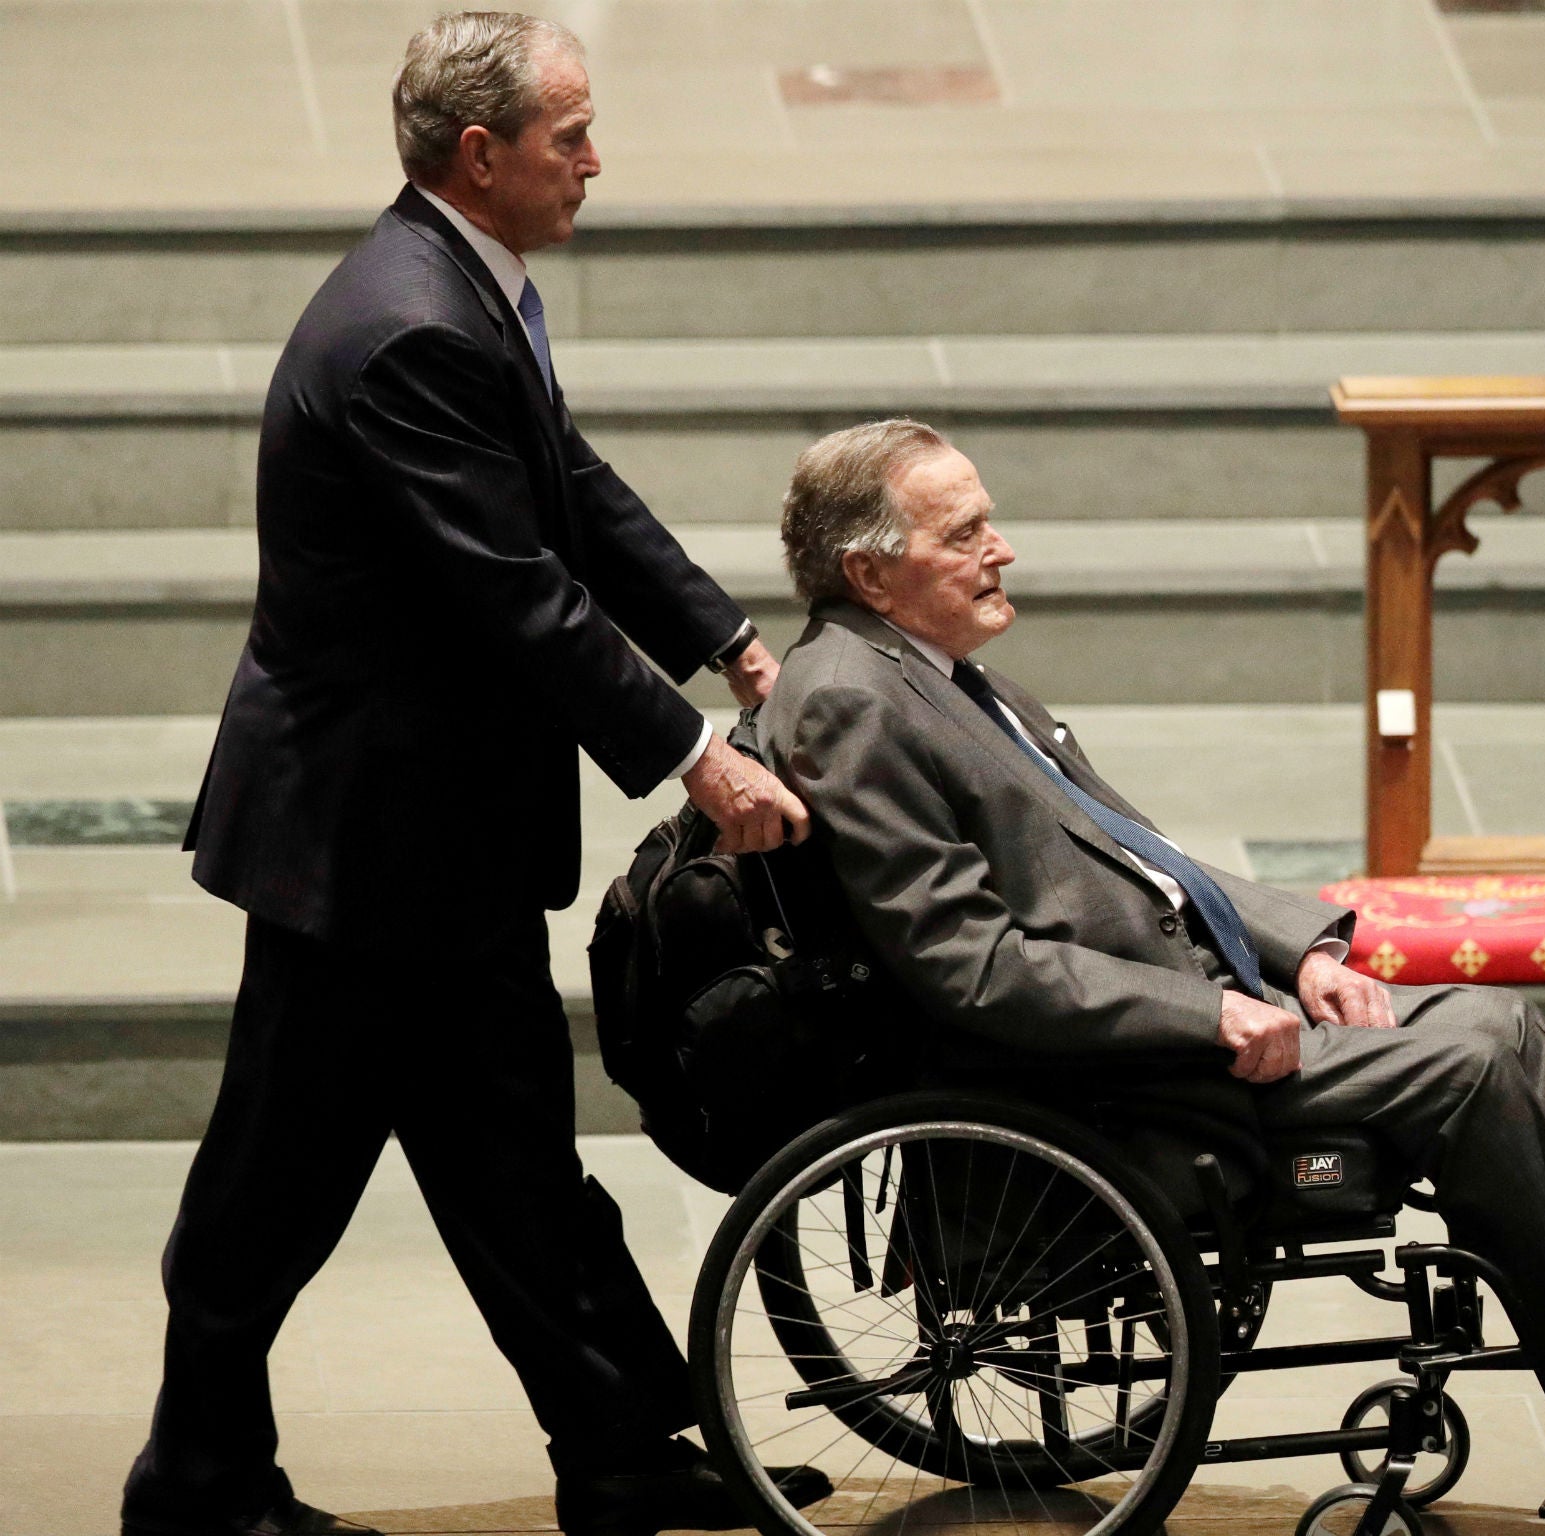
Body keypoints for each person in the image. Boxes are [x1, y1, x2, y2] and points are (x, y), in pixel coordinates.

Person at [756, 417, 1545, 1522]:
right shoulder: (854, 701)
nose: (999, 549)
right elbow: (972, 967)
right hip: (1109, 1071)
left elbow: (1143, 858)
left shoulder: (934, 671)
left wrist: (1298, 954)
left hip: (1189, 1004)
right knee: (1468, 1066)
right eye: (965, 533)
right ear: (869, 569)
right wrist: (1204, 1012)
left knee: (1499, 1025)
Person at [122, 16, 825, 1536]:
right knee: (275, 1179)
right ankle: (194, 1479)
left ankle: (622, 1455)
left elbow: (566, 483)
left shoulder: (458, 288)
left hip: (440, 842)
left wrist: (731, 642)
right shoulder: (408, 328)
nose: (595, 158)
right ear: (479, 154)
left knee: (511, 1159)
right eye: (569, 134)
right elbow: (518, 595)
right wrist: (698, 759)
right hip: (360, 851)